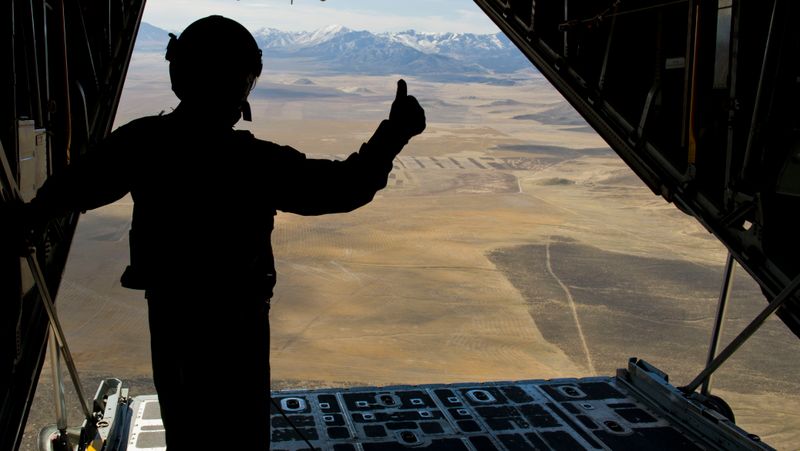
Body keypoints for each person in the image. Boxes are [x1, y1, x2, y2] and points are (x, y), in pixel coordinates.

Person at [23, 15, 425, 450]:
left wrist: (28, 217)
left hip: (172, 320)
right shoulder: (252, 163)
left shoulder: (142, 144)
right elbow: (346, 186)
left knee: (187, 428)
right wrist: (395, 133)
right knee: (239, 435)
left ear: (179, 75)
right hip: (236, 328)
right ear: (241, 84)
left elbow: (71, 189)